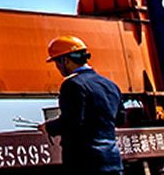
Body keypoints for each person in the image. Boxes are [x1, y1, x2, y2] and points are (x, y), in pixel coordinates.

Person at [40, 35, 124, 173]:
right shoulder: (110, 85)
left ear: (65, 60)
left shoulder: (72, 85)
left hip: (85, 163)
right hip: (112, 161)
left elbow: (71, 122)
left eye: (57, 63)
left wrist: (49, 127)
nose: (58, 68)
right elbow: (120, 119)